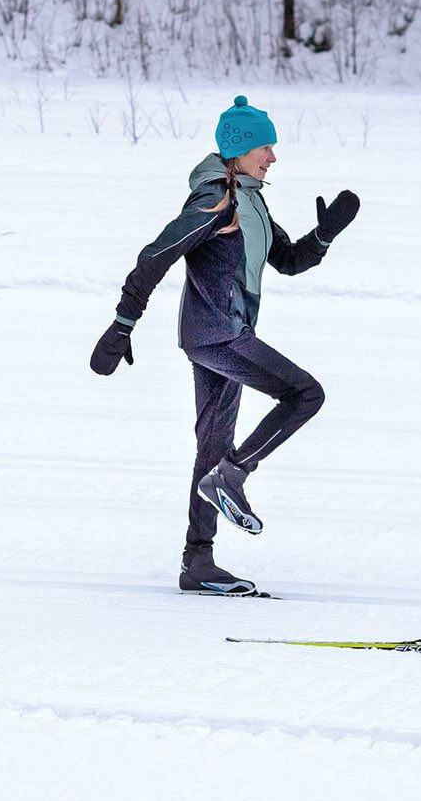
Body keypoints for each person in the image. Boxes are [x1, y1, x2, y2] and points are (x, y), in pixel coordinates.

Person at [90, 95, 360, 596]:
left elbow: (289, 260)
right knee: (305, 394)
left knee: (210, 448)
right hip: (219, 334)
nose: (273, 156)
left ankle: (198, 563)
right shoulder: (216, 201)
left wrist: (323, 236)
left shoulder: (251, 199)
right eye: (265, 146)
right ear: (238, 149)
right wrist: (122, 323)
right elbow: (155, 257)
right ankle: (234, 476)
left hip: (221, 335)